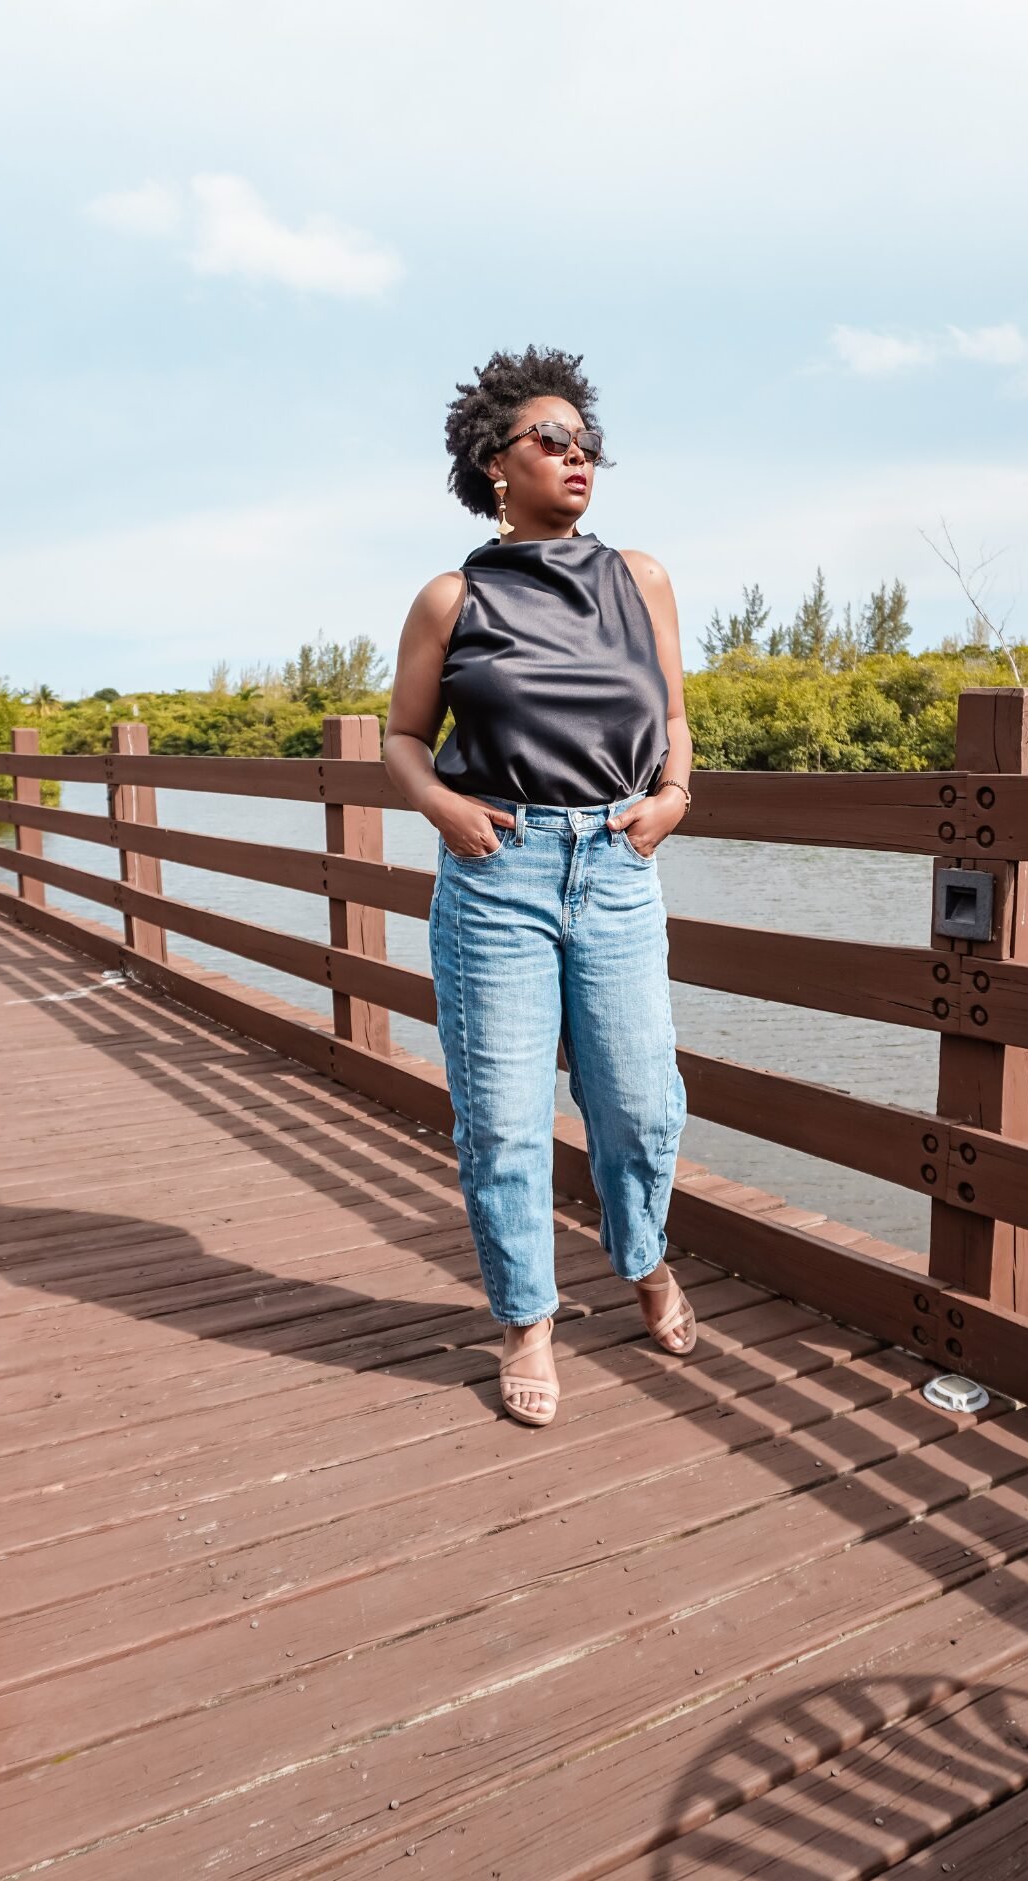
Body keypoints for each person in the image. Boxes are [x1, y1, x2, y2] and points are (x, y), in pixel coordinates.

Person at [383, 346, 694, 1428]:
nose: (578, 458)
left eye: (587, 443)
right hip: (496, 871)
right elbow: (402, 738)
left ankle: (643, 1257)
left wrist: (676, 793)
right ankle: (526, 1320)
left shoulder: (639, 577)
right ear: (494, 463)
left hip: (616, 862)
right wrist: (442, 806)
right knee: (504, 1124)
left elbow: (674, 713)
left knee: (641, 1104)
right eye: (552, 441)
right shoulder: (450, 596)